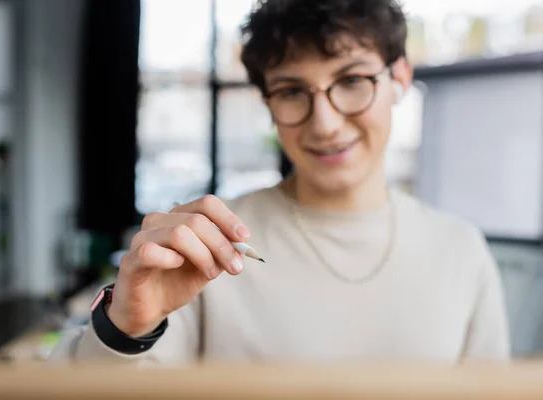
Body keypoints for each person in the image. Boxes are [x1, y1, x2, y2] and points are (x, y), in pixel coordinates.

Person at [50, 0, 510, 364]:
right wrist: (125, 328)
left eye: (351, 80)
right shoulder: (206, 247)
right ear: (269, 103)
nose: (325, 124)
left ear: (400, 78)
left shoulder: (461, 251)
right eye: (292, 91)